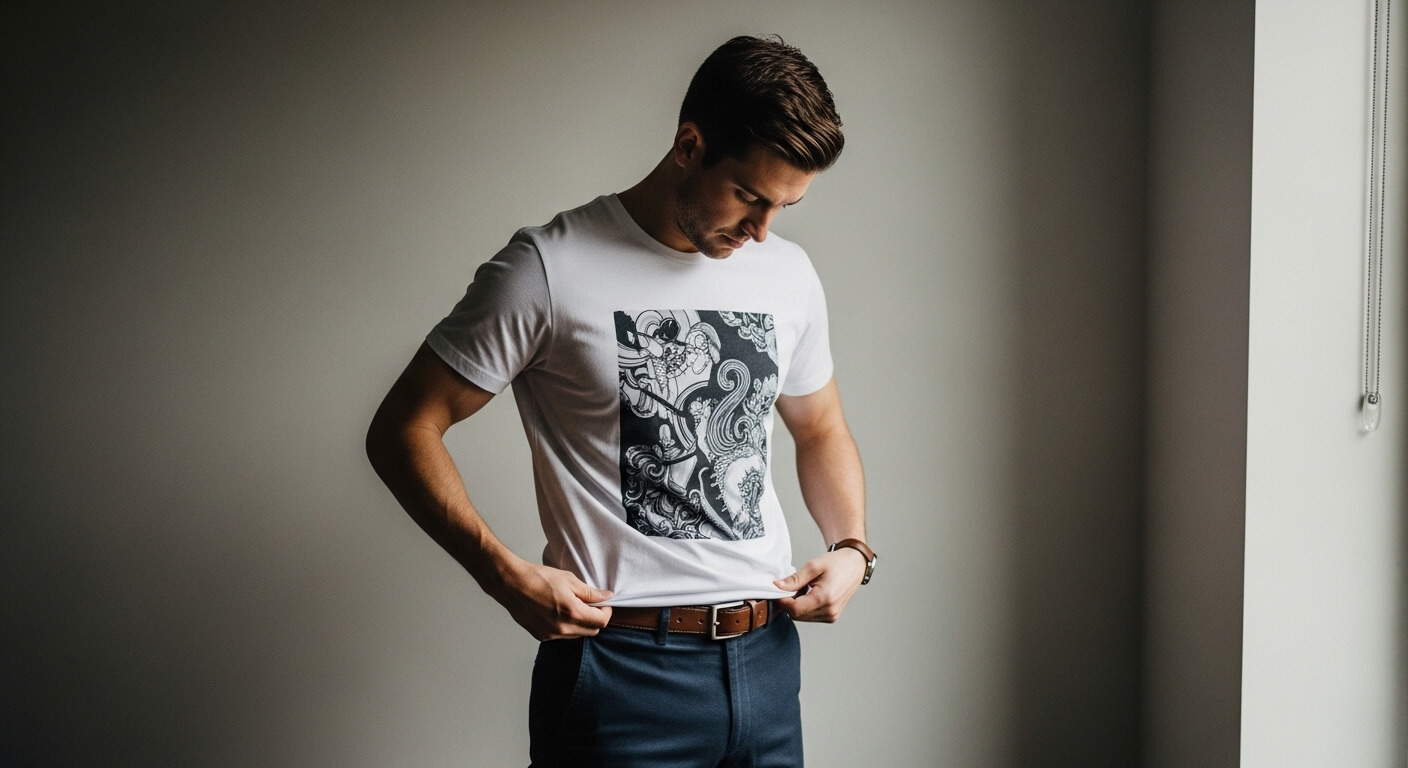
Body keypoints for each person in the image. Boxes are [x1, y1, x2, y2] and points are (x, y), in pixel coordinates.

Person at [365, 34, 876, 768]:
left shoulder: (788, 273)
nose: (763, 230)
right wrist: (500, 573)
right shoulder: (548, 267)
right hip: (622, 670)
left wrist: (853, 547)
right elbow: (405, 425)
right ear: (689, 145)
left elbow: (820, 425)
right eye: (750, 198)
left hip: (766, 660)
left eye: (784, 207)